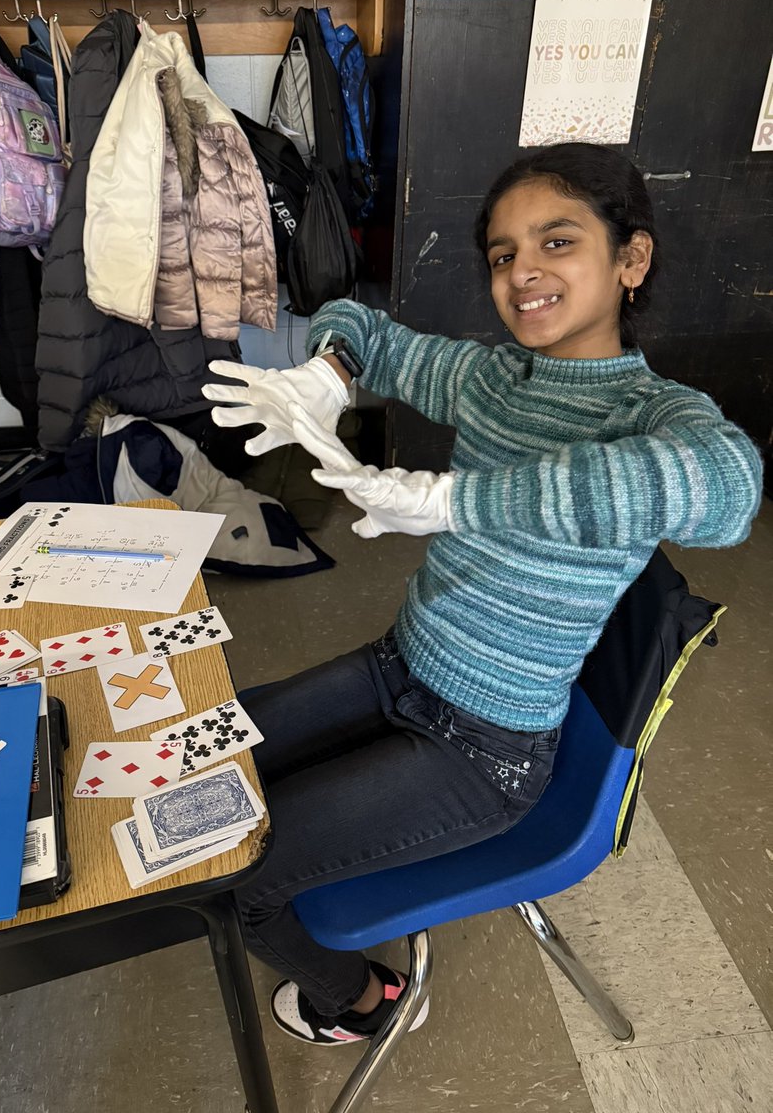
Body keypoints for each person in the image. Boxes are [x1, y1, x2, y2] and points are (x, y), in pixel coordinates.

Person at [201, 143, 762, 1046]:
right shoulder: (497, 378)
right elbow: (368, 327)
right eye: (503, 255)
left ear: (631, 259)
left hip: (485, 752)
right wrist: (330, 372)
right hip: (400, 673)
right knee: (205, 763)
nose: (523, 272)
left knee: (240, 871)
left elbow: (728, 489)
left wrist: (456, 499)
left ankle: (359, 1001)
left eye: (557, 242)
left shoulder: (656, 413)